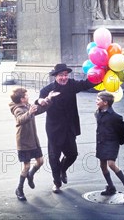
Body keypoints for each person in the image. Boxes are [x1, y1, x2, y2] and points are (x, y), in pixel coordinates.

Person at [36, 63, 95, 193]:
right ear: (55, 76)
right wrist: (41, 101)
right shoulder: (48, 89)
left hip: (69, 128)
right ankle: (56, 182)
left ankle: (63, 169)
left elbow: (87, 84)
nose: (64, 77)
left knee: (72, 154)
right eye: (61, 75)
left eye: (65, 75)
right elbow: (39, 100)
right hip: (54, 130)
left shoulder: (72, 85)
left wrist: (101, 76)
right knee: (53, 157)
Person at [9, 87, 59, 201]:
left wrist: (48, 99)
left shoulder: (27, 105)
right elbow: (20, 120)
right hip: (24, 141)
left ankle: (30, 175)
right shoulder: (18, 109)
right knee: (26, 166)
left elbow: (40, 110)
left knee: (40, 161)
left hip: (33, 140)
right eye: (26, 95)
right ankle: (19, 189)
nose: (28, 97)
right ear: (22, 99)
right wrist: (29, 112)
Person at [95, 91, 124, 198]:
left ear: (105, 102)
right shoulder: (98, 113)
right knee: (102, 165)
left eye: (98, 100)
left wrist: (119, 142)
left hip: (112, 143)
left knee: (111, 164)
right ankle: (111, 187)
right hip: (101, 142)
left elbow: (122, 132)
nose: (96, 101)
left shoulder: (115, 117)